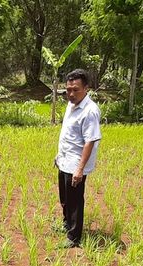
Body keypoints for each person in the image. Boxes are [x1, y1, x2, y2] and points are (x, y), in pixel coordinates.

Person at [54, 69, 102, 248]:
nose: (71, 94)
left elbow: (90, 141)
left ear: (86, 89)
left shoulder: (90, 111)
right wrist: (59, 155)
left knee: (75, 200)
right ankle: (67, 224)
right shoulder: (71, 105)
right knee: (65, 197)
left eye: (75, 89)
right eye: (68, 90)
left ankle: (74, 237)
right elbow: (68, 134)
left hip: (76, 163)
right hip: (65, 160)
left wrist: (80, 169)